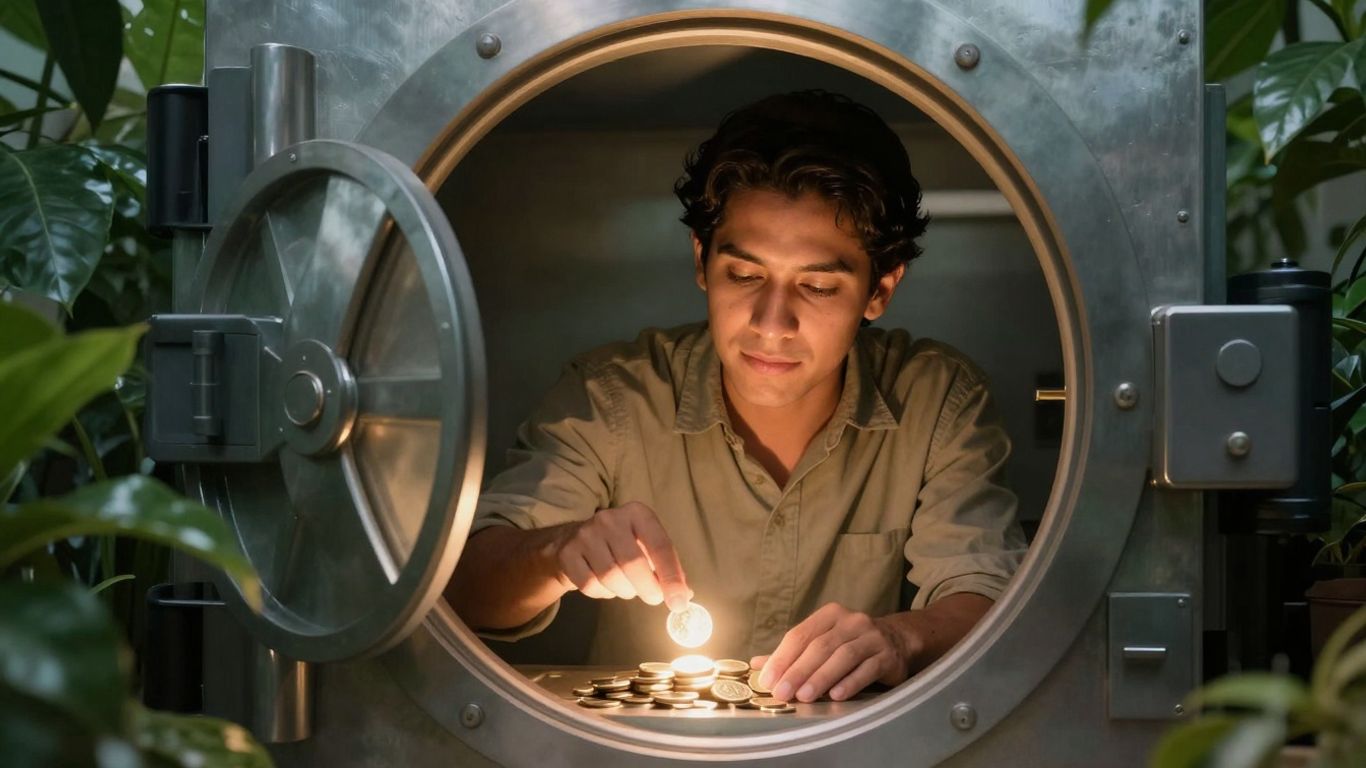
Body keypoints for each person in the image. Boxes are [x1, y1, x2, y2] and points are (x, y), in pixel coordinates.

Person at [446, 90, 1026, 704]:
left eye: (819, 286)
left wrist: (897, 639)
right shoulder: (612, 397)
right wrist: (557, 553)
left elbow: (987, 596)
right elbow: (464, 587)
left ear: (879, 290)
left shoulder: (936, 399)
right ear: (702, 260)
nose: (772, 323)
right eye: (745, 276)